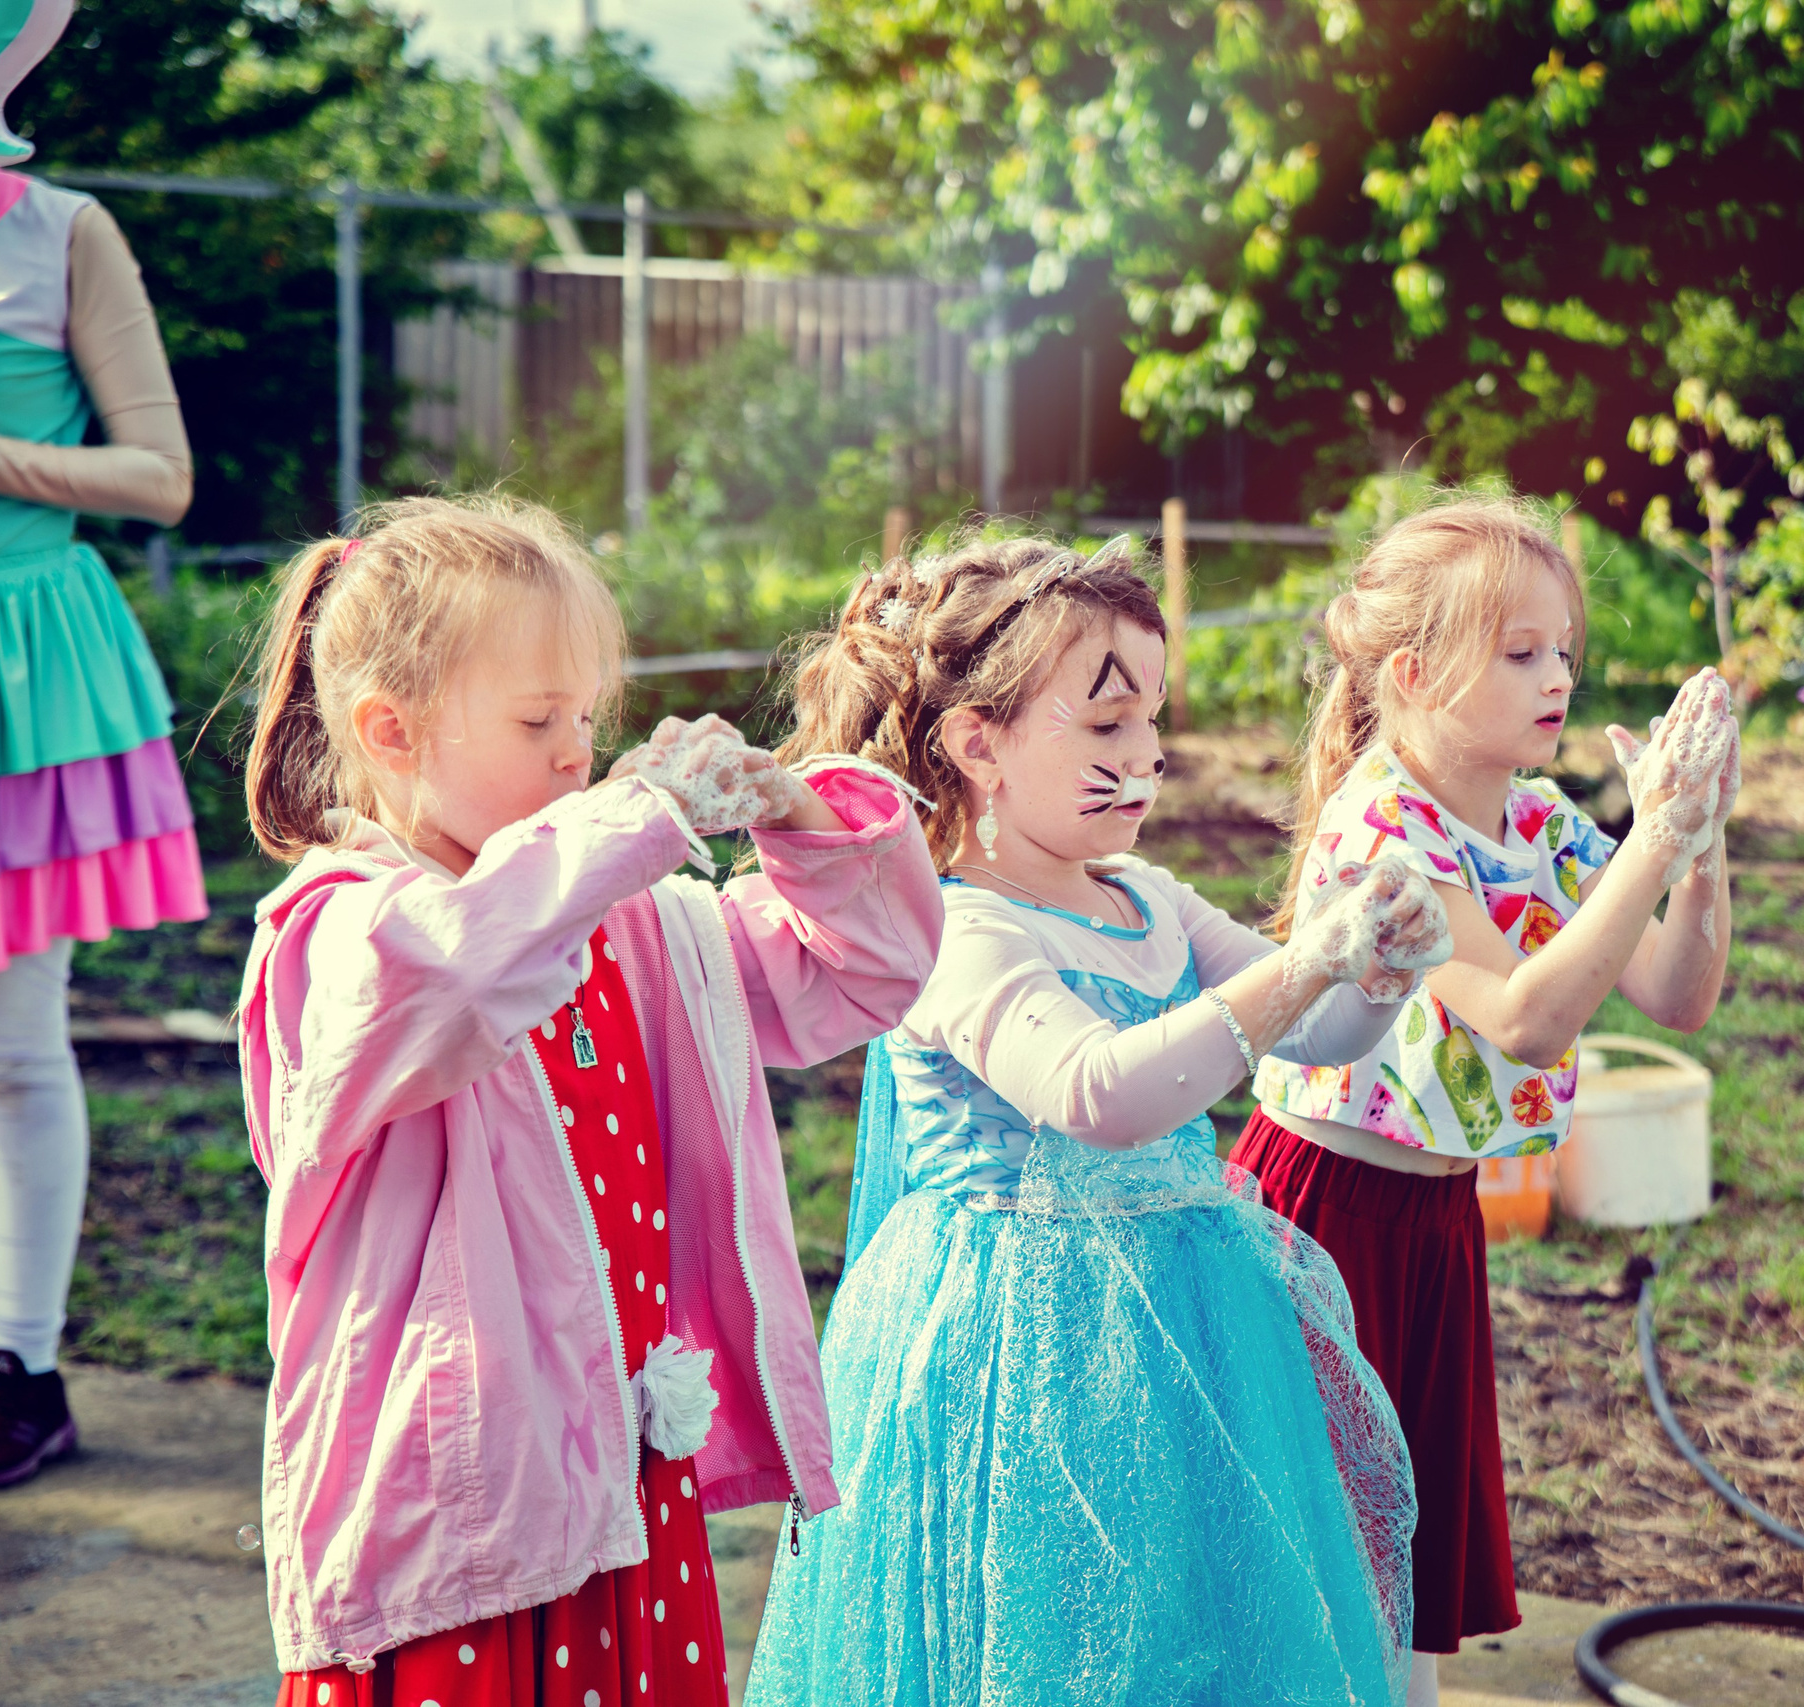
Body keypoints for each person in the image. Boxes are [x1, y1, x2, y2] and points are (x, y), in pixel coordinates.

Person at [233, 496, 944, 1704]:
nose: (579, 750)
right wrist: (635, 821)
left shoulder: (632, 921)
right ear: (388, 730)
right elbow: (456, 974)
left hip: (619, 1479)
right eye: (535, 718)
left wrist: (793, 808)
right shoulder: (338, 932)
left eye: (587, 717)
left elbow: (861, 972)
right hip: (459, 1502)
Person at [744, 533, 1452, 1707]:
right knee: (1041, 1627)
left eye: (1153, 725)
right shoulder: (955, 928)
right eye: (1108, 726)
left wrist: (1373, 976)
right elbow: (1100, 1095)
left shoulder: (1148, 899)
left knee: (1185, 1611)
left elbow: (1312, 1041)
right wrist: (1305, 965)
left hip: (1188, 1318)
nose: (1149, 756)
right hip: (1010, 1344)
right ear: (979, 746)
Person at [1234, 499, 1740, 1707]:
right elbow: (1523, 1018)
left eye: (1563, 649)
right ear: (1412, 673)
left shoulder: (1532, 822)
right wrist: (1648, 842)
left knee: (1407, 1537)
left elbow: (1675, 992)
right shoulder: (1383, 825)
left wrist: (1698, 844)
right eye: (1520, 652)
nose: (1555, 675)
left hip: (1434, 1224)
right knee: (1315, 1535)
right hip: (1322, 1213)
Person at [0, 0, 209, 1494]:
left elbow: (161, 475)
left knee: (7, 1035)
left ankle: (23, 1367)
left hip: (22, 661)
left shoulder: (61, 231)